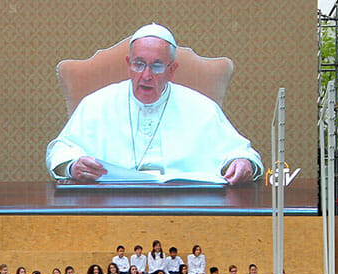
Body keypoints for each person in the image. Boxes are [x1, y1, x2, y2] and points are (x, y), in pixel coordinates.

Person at [46, 24, 263, 185]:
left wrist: (243, 163)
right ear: (128, 65)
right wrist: (73, 165)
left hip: (185, 206)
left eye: (157, 66)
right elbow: (61, 149)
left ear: (172, 70)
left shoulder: (200, 107)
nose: (146, 75)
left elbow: (242, 154)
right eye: (139, 64)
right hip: (110, 205)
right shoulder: (96, 104)